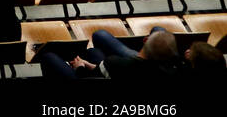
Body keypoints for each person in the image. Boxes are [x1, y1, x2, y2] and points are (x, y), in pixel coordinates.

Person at [40, 26, 181, 80]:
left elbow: (89, 78)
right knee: (94, 52)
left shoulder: (116, 63)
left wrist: (80, 67)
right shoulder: (174, 71)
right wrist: (91, 65)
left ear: (144, 40)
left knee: (48, 57)